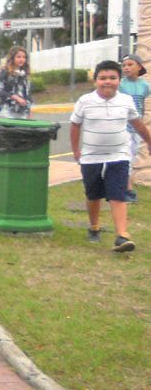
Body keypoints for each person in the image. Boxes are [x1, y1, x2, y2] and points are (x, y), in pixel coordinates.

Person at [70, 60, 151, 251]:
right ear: (95, 81)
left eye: (113, 78)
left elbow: (137, 124)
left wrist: (149, 141)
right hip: (91, 157)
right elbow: (75, 126)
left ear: (119, 81)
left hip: (119, 155)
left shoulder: (126, 100)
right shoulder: (85, 101)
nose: (108, 81)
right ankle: (94, 227)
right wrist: (76, 151)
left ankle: (122, 236)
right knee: (93, 194)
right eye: (103, 78)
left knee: (118, 194)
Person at [120, 54, 148, 202]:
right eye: (124, 65)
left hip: (136, 128)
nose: (126, 68)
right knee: (126, 159)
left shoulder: (145, 86)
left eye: (130, 64)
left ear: (139, 67)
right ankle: (128, 189)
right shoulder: (120, 85)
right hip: (122, 127)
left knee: (131, 158)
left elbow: (141, 105)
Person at [0, 46, 32, 119]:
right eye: (18, 57)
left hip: (22, 111)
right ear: (12, 58)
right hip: (7, 109)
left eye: (24, 57)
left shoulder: (24, 73)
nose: (22, 59)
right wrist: (15, 97)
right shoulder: (5, 71)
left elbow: (27, 94)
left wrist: (29, 111)